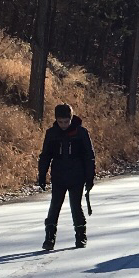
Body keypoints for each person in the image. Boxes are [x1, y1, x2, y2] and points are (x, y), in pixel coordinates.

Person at [37, 103, 96, 250]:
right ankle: (49, 238)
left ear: (71, 118)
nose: (63, 125)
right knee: (55, 206)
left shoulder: (81, 133)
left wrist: (90, 177)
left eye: (66, 121)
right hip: (58, 175)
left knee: (76, 206)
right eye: (60, 121)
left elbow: (89, 156)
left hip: (77, 176)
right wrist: (42, 174)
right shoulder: (51, 133)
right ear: (56, 119)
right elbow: (45, 155)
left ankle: (81, 237)